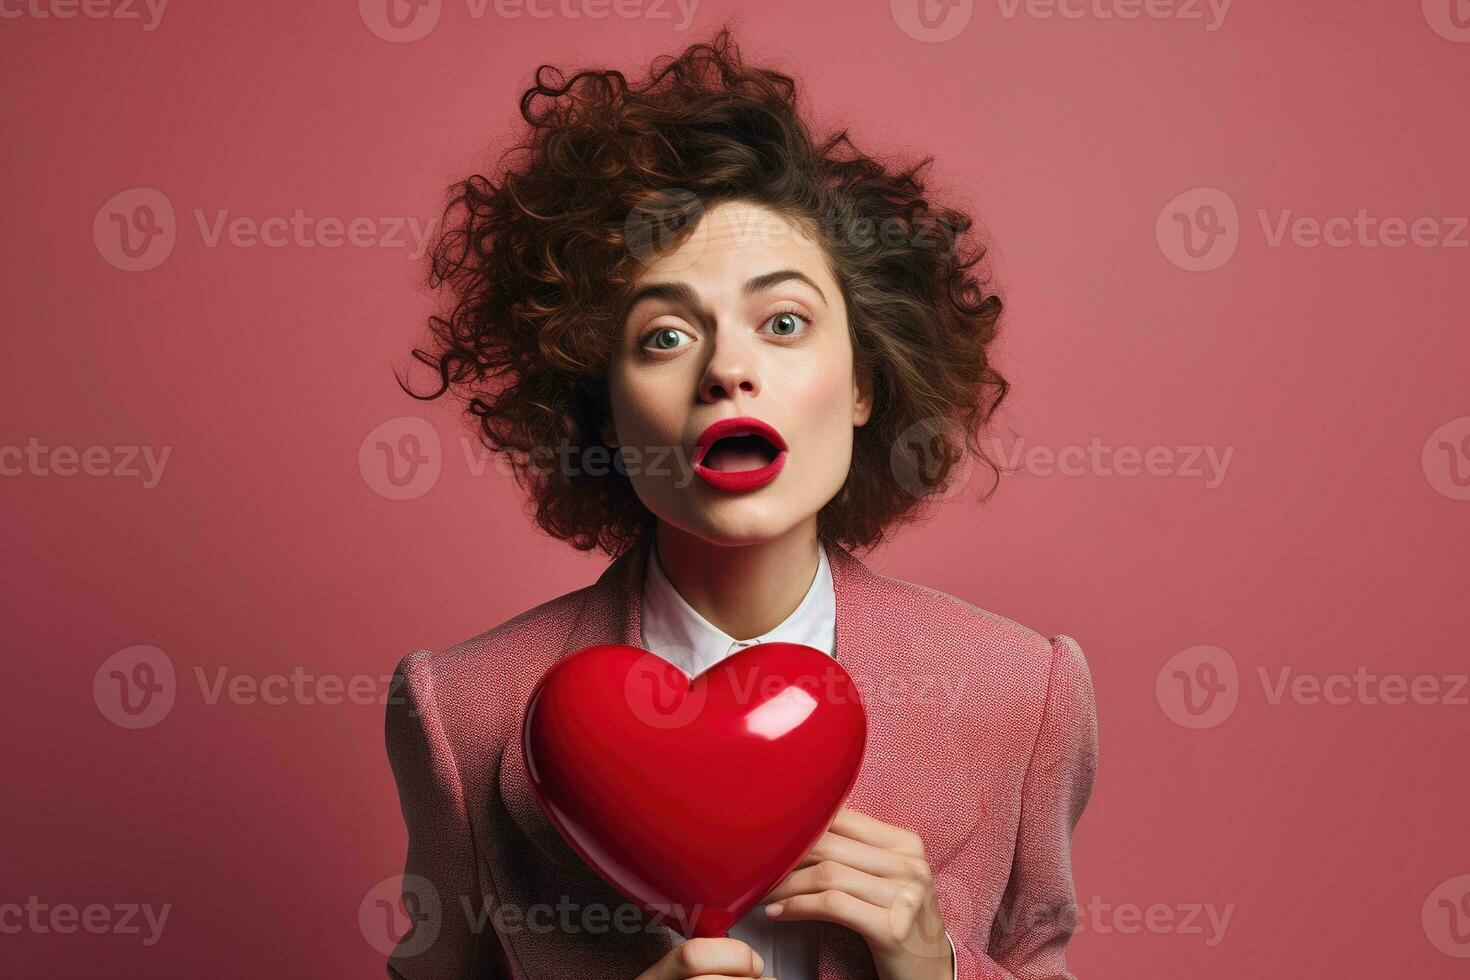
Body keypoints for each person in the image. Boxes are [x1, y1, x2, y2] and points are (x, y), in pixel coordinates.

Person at [385, 26, 1098, 980]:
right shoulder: (461, 712)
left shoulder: (1022, 692)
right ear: (600, 410)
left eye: (785, 322)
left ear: (863, 386)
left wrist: (942, 970)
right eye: (666, 335)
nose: (729, 369)